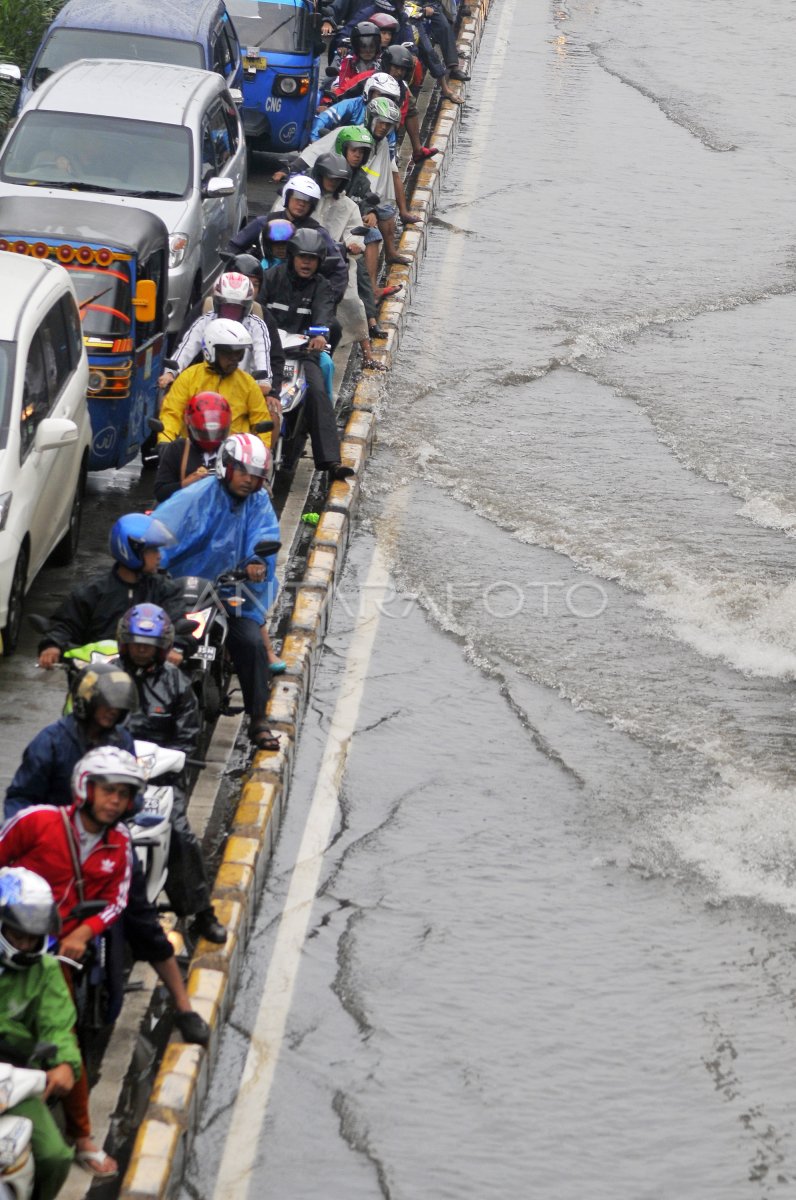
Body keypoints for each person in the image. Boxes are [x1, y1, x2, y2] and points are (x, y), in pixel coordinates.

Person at [4, 674, 213, 1049]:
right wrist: (36, 834)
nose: (111, 714)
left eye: (117, 710)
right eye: (105, 707)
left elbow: (133, 796)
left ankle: (183, 1006)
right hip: (50, 842)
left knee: (143, 920)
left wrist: (115, 816)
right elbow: (19, 798)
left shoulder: (121, 741)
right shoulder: (51, 742)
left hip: (107, 841)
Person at [0, 748, 140, 1181]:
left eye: (124, 794)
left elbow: (118, 899)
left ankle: (81, 1137)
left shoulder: (121, 844)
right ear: (85, 787)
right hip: (10, 927)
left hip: (57, 947)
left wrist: (84, 932)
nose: (114, 801)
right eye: (107, 790)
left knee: (67, 1037)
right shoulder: (37, 821)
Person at [154, 434, 283, 751]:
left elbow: (264, 534)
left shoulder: (259, 502)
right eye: (244, 473)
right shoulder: (198, 494)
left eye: (256, 476)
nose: (250, 482)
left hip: (233, 591)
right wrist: (154, 560)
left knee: (251, 644)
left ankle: (258, 721)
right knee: (160, 641)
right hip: (191, 589)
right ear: (227, 467)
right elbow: (166, 527)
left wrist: (256, 562)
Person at [116, 605, 226, 943]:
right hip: (111, 776)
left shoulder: (177, 683)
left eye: (147, 644)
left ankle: (200, 911)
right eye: (135, 643)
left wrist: (172, 760)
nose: (140, 649)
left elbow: (188, 736)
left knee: (180, 833)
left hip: (159, 779)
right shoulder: (107, 677)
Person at [0, 866, 81, 1200]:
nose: (27, 944)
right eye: (19, 936)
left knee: (55, 1156)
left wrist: (65, 1064)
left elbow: (58, 1025)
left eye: (33, 937)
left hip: (11, 1080)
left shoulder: (45, 972)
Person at [260, 228, 358, 476]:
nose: (306, 263)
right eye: (302, 257)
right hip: (268, 353)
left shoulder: (322, 286)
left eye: (312, 258)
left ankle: (330, 461)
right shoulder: (271, 277)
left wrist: (318, 335)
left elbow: (323, 312)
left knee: (317, 393)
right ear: (292, 256)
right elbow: (257, 311)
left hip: (303, 354)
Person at [36, 514, 184, 671]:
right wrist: (52, 645)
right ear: (131, 551)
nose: (159, 555)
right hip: (96, 677)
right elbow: (66, 624)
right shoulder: (92, 591)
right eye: (152, 550)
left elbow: (177, 624)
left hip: (148, 674)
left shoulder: (165, 590)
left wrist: (177, 647)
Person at [311, 80, 418, 264]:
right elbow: (313, 153)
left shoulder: (384, 144)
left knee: (385, 217)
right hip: (343, 193)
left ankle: (388, 257)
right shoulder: (349, 132)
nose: (384, 128)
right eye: (381, 123)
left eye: (388, 125)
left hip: (362, 195)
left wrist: (398, 209)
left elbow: (391, 172)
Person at [157, 273, 279, 433]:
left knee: (272, 415)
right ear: (216, 303)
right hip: (203, 385)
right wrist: (170, 373)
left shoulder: (257, 325)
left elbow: (262, 354)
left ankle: (264, 456)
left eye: (237, 308)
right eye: (227, 306)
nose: (231, 312)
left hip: (245, 389)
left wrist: (264, 383)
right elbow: (185, 348)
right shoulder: (204, 321)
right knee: (167, 404)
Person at [156, 319, 274, 451]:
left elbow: (261, 420)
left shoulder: (248, 383)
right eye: (229, 354)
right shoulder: (188, 377)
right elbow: (172, 414)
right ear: (211, 350)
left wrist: (263, 450)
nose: (235, 360)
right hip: (192, 453)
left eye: (239, 354)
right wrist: (165, 441)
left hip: (234, 457)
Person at [229, 176, 349, 305]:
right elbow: (234, 247)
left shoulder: (318, 232)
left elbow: (339, 269)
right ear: (287, 197)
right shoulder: (263, 223)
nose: (301, 204)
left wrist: (328, 300)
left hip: (301, 300)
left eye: (307, 201)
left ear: (312, 206)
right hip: (260, 293)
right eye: (297, 198)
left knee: (332, 325)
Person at [153, 391, 232, 503]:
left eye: (217, 433)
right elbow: (160, 493)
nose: (210, 439)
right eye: (203, 434)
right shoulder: (177, 449)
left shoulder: (233, 452)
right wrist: (185, 484)